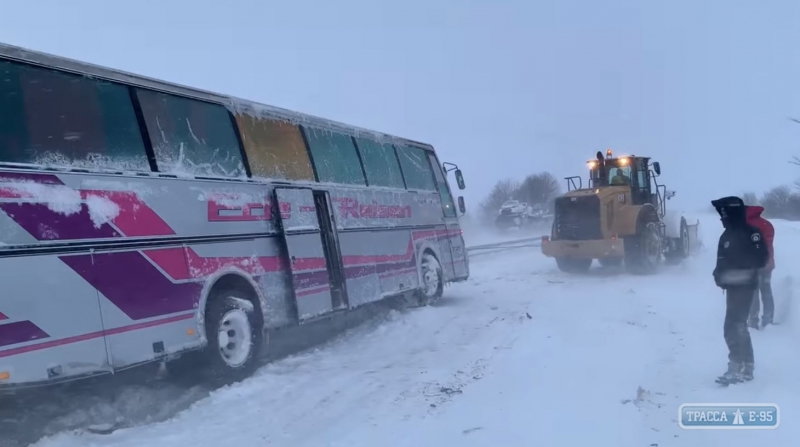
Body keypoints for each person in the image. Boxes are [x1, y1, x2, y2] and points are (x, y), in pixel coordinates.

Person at [711, 196, 769, 382]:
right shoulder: (726, 235)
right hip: (732, 287)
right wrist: (719, 274)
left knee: (736, 326)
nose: (723, 217)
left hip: (745, 286)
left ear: (734, 212)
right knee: (732, 326)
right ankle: (739, 365)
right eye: (722, 213)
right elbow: (721, 260)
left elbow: (761, 258)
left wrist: (738, 269)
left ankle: (743, 367)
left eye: (726, 213)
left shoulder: (752, 233)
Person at [745, 205, 775, 329]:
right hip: (766, 263)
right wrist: (770, 260)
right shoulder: (767, 224)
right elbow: (769, 243)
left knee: (753, 293)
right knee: (767, 291)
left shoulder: (744, 226)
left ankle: (753, 321)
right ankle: (768, 320)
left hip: (750, 265)